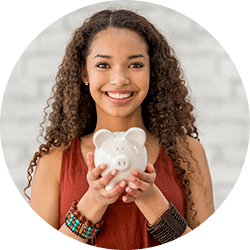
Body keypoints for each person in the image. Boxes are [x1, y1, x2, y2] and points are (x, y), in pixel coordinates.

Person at [24, 9, 215, 249]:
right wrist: (93, 202)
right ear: (85, 73)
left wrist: (151, 199)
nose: (119, 79)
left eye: (135, 64)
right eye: (103, 64)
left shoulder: (188, 153)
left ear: (151, 72)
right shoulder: (54, 159)